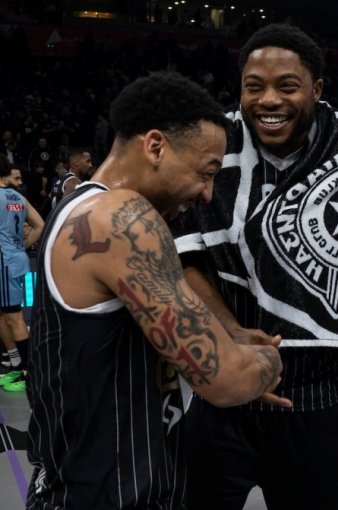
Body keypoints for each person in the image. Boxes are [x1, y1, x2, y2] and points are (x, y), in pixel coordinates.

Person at [170, 24, 338, 510]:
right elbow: (186, 255)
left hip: (310, 399)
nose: (269, 100)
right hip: (221, 389)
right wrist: (233, 336)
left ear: (316, 89)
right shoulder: (214, 145)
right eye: (254, 86)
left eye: (287, 86)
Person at [25, 71, 285, 510]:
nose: (207, 194)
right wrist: (268, 361)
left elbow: (170, 315)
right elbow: (227, 380)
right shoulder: (121, 216)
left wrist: (231, 336)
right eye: (206, 173)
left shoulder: (87, 209)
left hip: (94, 485)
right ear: (156, 147)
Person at [0, 158, 44, 392]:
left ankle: (28, 374)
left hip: (4, 262)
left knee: (14, 317)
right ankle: (15, 364)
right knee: (3, 314)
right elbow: (40, 225)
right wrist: (22, 246)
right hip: (15, 258)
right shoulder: (20, 198)